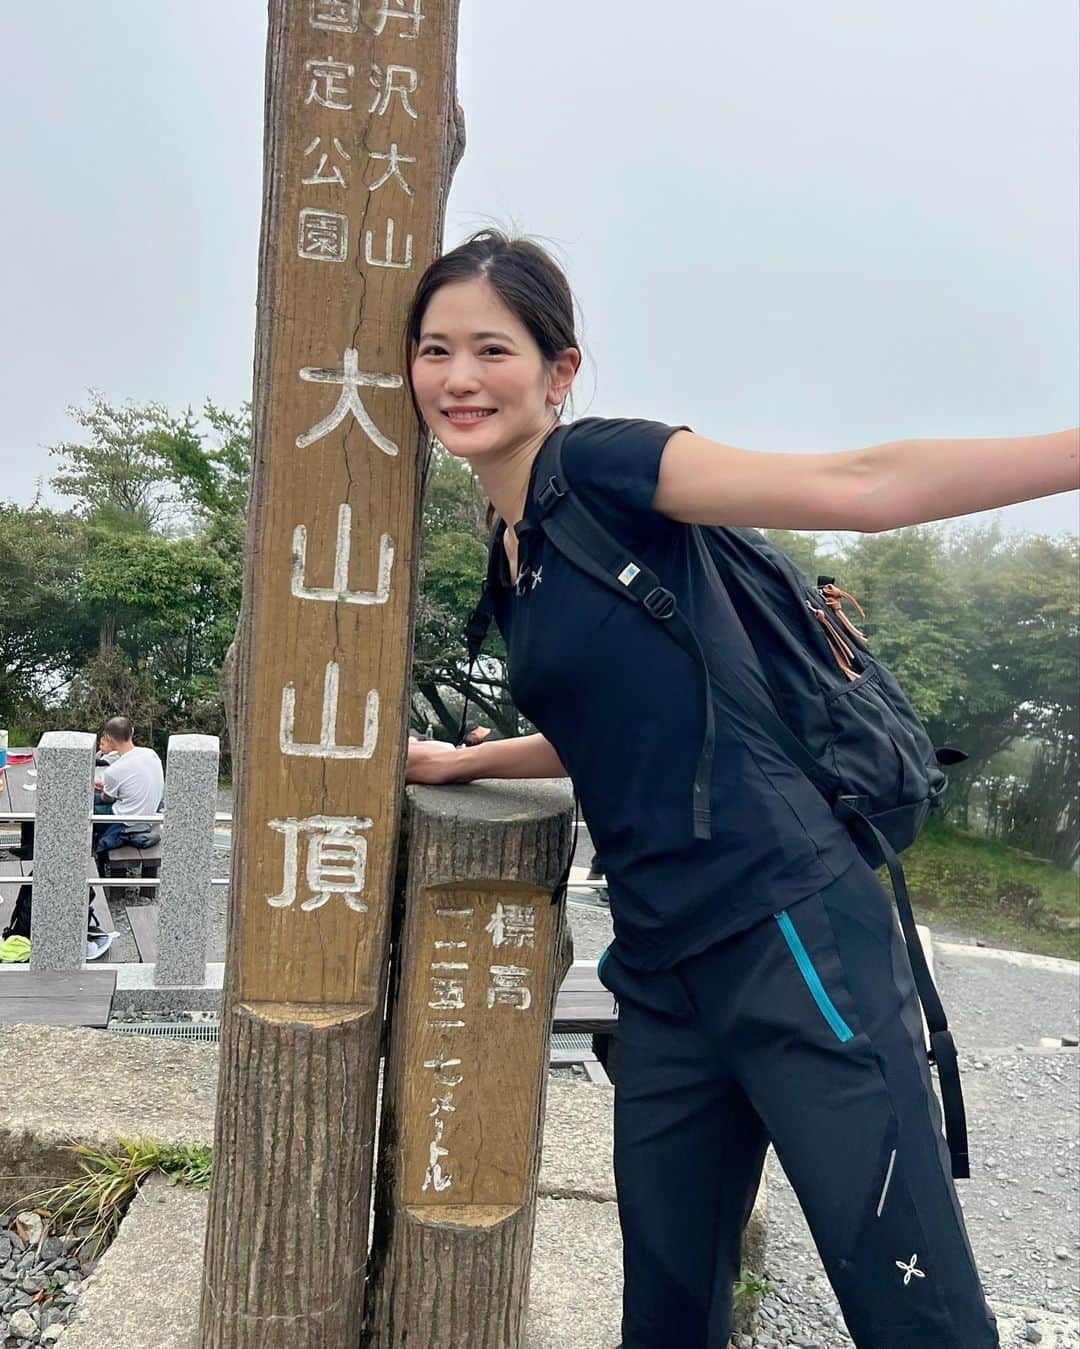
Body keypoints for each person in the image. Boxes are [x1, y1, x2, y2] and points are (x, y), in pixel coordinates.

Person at [402, 231, 1077, 1349]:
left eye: (491, 347)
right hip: (664, 971)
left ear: (559, 370)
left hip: (789, 931)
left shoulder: (609, 466)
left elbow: (861, 485)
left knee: (914, 1313)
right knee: (665, 1313)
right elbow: (613, 728)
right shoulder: (516, 548)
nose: (459, 377)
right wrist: (470, 759)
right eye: (434, 349)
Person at [91, 716, 164, 876]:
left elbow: (106, 799)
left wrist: (105, 788)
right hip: (150, 813)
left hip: (126, 821)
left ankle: (92, 865)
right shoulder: (150, 754)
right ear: (131, 732)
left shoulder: (114, 769)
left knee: (85, 806)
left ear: (109, 738)